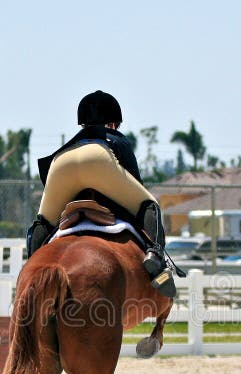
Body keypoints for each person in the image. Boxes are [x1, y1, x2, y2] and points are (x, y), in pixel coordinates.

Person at [26, 90, 176, 298]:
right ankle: (155, 257)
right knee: (150, 205)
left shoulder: (73, 141)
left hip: (62, 161)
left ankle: (31, 274)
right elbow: (135, 184)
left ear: (82, 125)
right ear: (113, 124)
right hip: (98, 157)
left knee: (42, 222)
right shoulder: (115, 138)